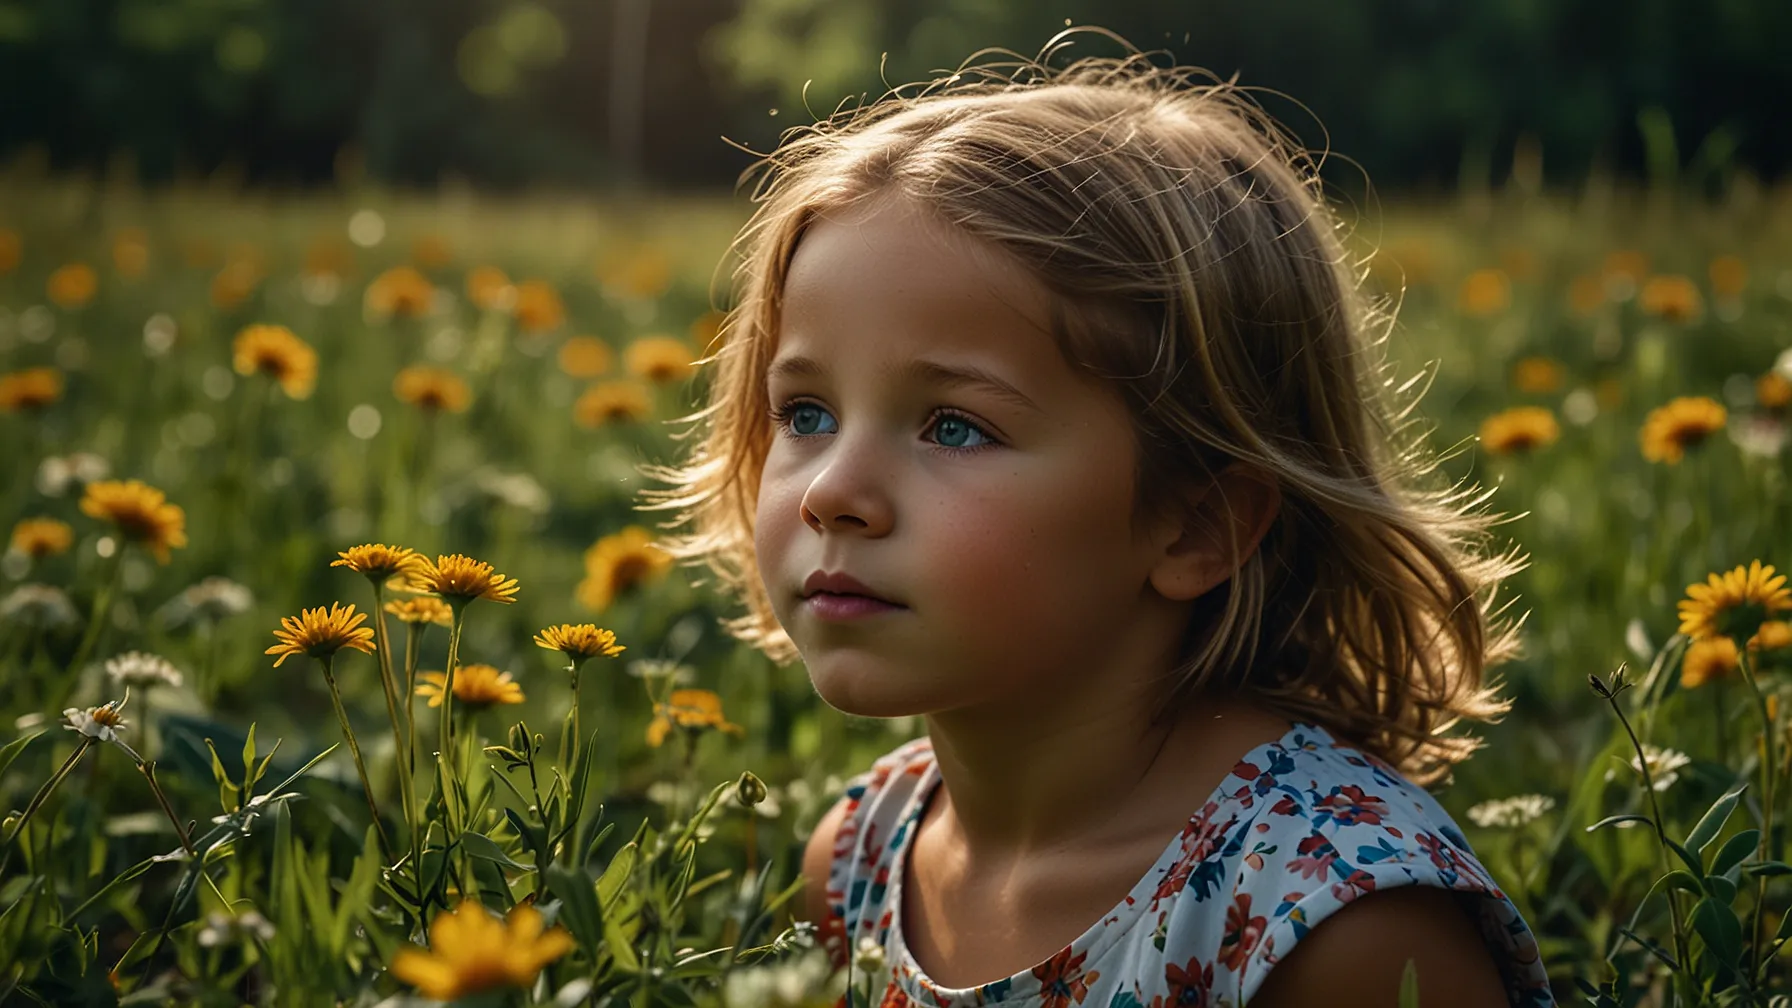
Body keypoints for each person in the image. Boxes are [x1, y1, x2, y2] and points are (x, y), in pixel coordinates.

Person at [644, 30, 1555, 1008]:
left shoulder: (1332, 922)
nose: (831, 492)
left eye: (954, 426)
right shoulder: (857, 864)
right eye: (805, 414)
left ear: (1196, 526)